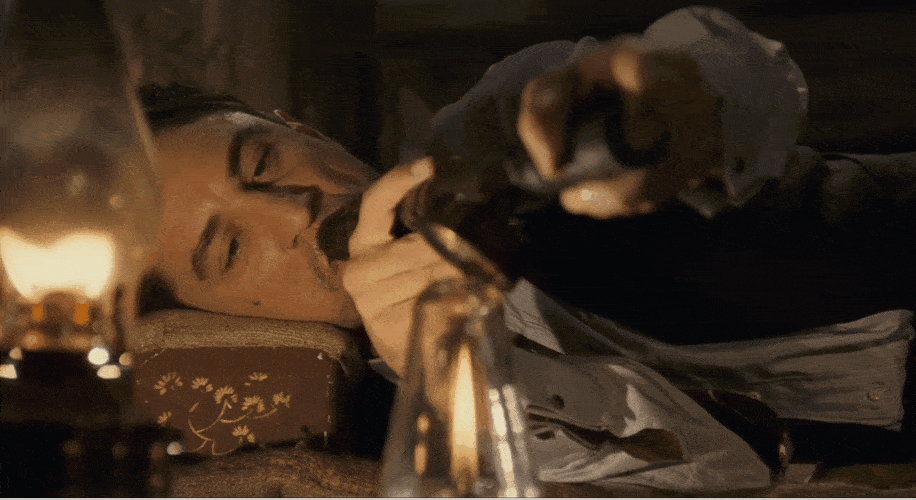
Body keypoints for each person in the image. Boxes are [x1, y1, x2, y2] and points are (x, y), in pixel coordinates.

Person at [140, 5, 916, 493]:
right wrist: (458, 371)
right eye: (229, 249)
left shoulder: (487, 144)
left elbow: (729, 74)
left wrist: (671, 90)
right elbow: (730, 472)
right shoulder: (383, 432)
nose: (293, 211)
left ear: (300, 129)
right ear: (214, 316)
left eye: (264, 162)